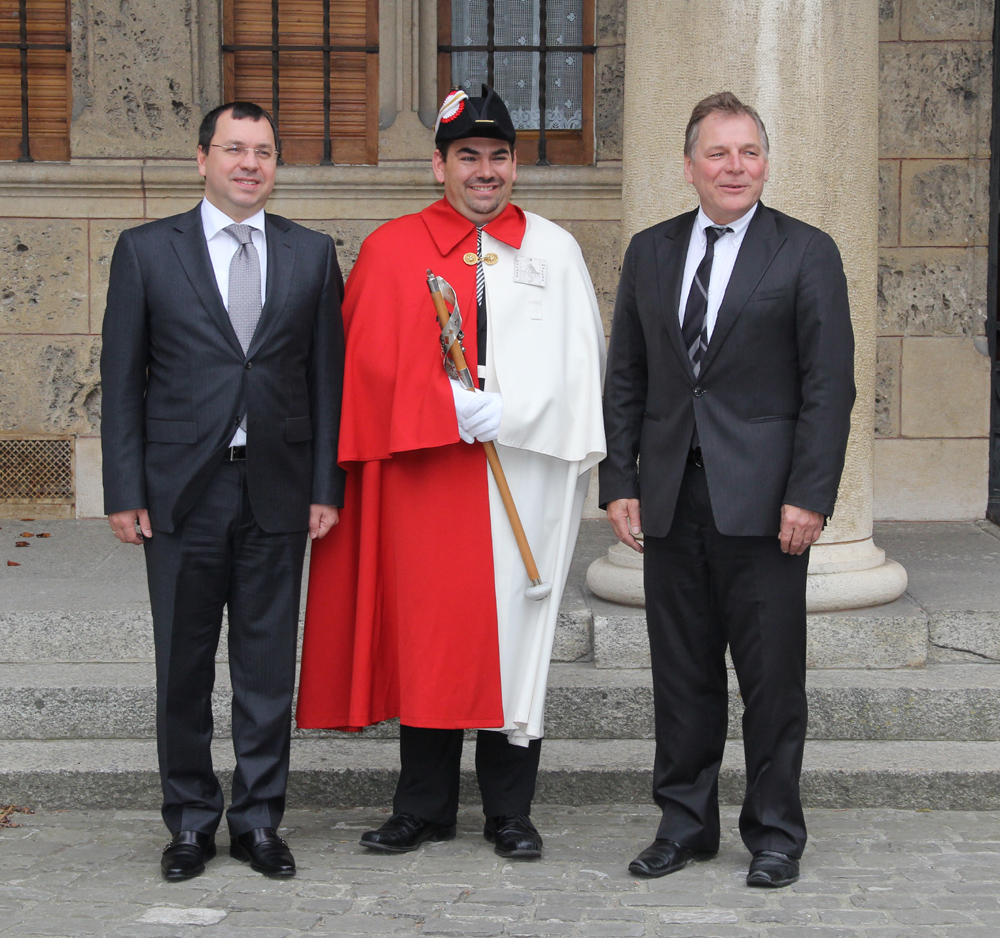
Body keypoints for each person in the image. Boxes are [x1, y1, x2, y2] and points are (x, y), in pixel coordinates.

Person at [296, 86, 606, 860]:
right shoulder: (393, 249)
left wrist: (515, 412)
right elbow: (363, 368)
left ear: (515, 165)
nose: (485, 170)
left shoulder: (554, 251)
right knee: (430, 634)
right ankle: (423, 806)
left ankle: (510, 811)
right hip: (427, 474)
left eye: (499, 156)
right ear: (440, 165)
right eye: (468, 156)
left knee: (517, 638)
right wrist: (443, 406)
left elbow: (584, 369)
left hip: (525, 473)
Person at [600, 92, 855, 887]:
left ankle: (775, 833)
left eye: (748, 152)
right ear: (690, 166)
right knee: (682, 677)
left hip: (767, 506)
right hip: (672, 499)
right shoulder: (650, 251)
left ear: (765, 163)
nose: (735, 167)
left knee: (772, 682)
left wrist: (810, 495)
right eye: (718, 153)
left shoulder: (806, 252)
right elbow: (627, 377)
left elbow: (829, 387)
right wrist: (620, 480)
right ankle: (684, 825)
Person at [100, 101, 345, 881]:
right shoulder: (146, 250)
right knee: (184, 667)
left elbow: (327, 381)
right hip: (181, 494)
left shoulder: (312, 254)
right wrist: (123, 488)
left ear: (276, 165)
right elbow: (121, 379)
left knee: (267, 669)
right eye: (234, 149)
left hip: (278, 490)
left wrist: (325, 485)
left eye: (263, 152)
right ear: (202, 158)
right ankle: (189, 822)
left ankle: (259, 820)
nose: (249, 164)